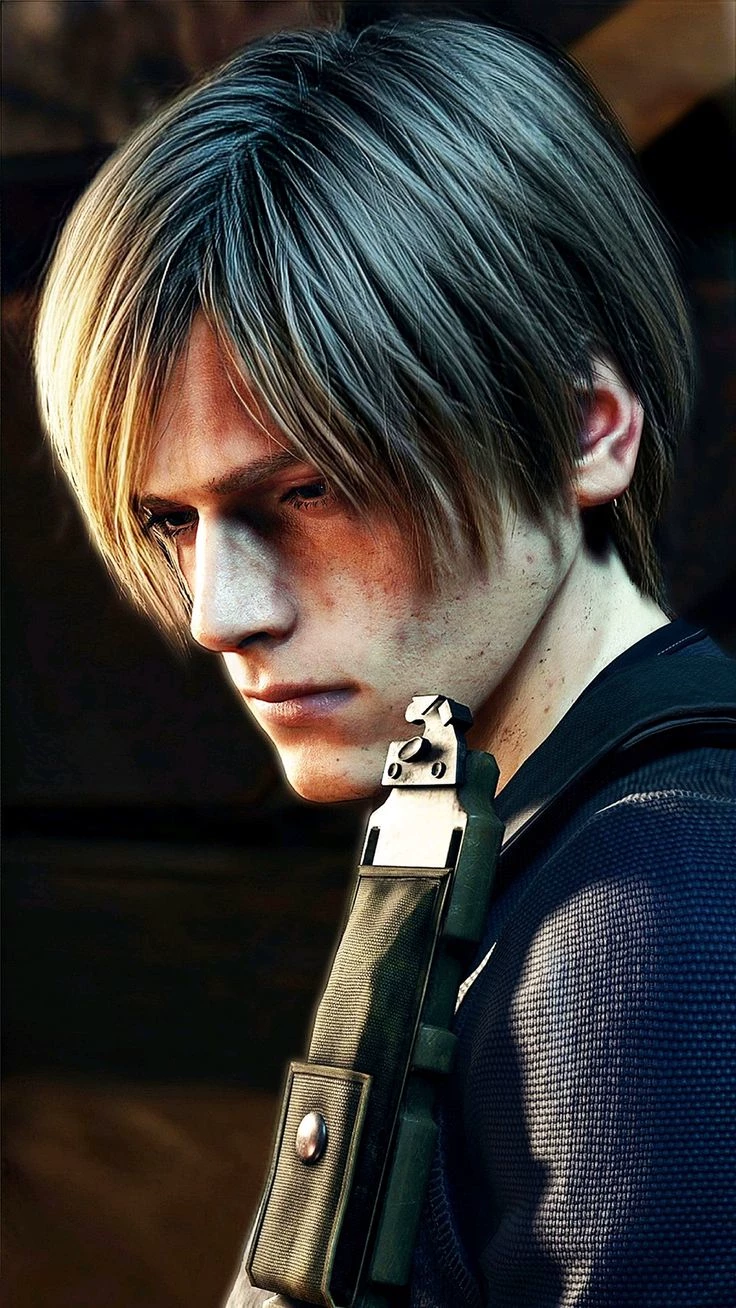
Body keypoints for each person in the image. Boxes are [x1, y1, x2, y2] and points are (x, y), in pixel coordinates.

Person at [33, 15, 736, 1307]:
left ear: (586, 433)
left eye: (306, 490)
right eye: (172, 520)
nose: (217, 614)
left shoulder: (649, 919)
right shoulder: (499, 822)